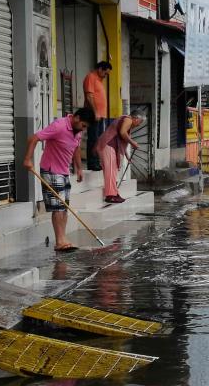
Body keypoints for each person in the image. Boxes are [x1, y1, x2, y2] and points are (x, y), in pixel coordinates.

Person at [23, 106, 95, 252]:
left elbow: (75, 148)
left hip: (64, 171)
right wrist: (27, 159)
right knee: (58, 207)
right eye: (83, 125)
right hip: (51, 170)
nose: (83, 129)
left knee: (64, 207)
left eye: (86, 127)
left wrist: (79, 168)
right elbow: (34, 138)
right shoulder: (59, 126)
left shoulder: (77, 131)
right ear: (77, 118)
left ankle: (63, 238)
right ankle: (59, 241)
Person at [94, 109, 145, 203]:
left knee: (113, 171)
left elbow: (121, 140)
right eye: (140, 122)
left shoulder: (126, 121)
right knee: (110, 171)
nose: (139, 125)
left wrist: (127, 155)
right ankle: (110, 195)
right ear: (136, 118)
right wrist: (132, 142)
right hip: (108, 145)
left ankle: (114, 193)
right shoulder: (128, 119)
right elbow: (122, 132)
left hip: (111, 146)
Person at [83, 61, 112, 171]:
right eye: (106, 73)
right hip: (93, 114)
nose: (106, 75)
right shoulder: (91, 77)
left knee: (99, 139)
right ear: (100, 69)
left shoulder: (99, 80)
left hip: (100, 115)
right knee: (93, 138)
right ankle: (92, 163)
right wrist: (95, 112)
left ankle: (96, 161)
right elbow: (89, 96)